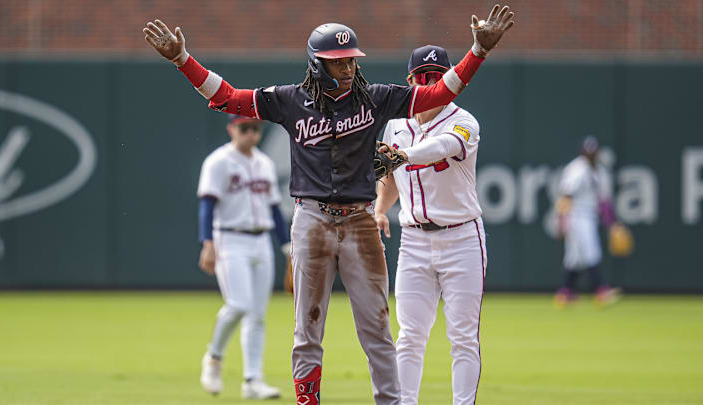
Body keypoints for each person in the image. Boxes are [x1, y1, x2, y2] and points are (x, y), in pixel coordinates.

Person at [143, 6, 514, 403]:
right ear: (317, 65)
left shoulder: (374, 98)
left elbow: (440, 93)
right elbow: (229, 97)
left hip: (359, 220)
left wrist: (477, 50)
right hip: (311, 219)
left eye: (351, 60)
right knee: (308, 328)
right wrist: (183, 60)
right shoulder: (289, 100)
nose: (349, 68)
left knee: (378, 328)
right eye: (338, 63)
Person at [374, 45, 487, 405]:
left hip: (462, 238)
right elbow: (390, 180)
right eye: (422, 78)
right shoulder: (396, 126)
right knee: (409, 335)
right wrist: (379, 209)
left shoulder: (463, 121)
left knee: (463, 337)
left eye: (436, 78)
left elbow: (442, 147)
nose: (429, 84)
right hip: (414, 241)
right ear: (410, 82)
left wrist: (403, 155)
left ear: (449, 81)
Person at [196, 115, 290, 399]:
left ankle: (253, 381)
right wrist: (207, 243)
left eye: (255, 128)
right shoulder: (219, 161)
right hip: (230, 237)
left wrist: (287, 248)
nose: (250, 133)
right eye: (244, 128)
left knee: (257, 315)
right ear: (231, 129)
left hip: (261, 240)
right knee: (238, 305)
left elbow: (275, 208)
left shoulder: (264, 163)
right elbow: (207, 204)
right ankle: (213, 357)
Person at [553, 136, 621, 309]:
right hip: (576, 214)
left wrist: (612, 224)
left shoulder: (600, 171)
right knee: (591, 250)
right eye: (587, 152)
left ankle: (565, 292)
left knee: (574, 257)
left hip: (590, 215)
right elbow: (565, 195)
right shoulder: (576, 169)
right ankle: (601, 290)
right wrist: (562, 222)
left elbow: (604, 202)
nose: (590, 155)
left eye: (593, 152)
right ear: (582, 152)